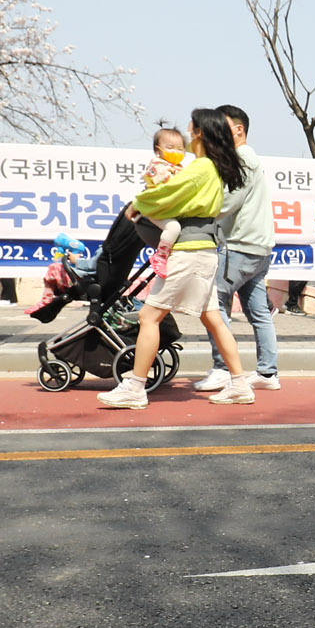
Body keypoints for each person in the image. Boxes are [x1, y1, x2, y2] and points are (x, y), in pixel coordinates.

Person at [100, 113, 253, 409]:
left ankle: (135, 386)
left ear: (200, 134)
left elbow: (169, 194)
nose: (186, 132)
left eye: (191, 128)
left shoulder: (200, 168)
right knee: (213, 319)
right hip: (203, 251)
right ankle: (239, 384)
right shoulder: (211, 168)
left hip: (189, 251)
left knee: (149, 317)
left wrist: (138, 203)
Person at [192, 104, 280, 394]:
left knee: (214, 307)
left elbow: (228, 203)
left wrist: (195, 211)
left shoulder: (242, 157)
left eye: (222, 124)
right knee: (259, 313)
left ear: (238, 130)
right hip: (258, 248)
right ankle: (267, 372)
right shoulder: (248, 157)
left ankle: (221, 369)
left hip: (238, 246)